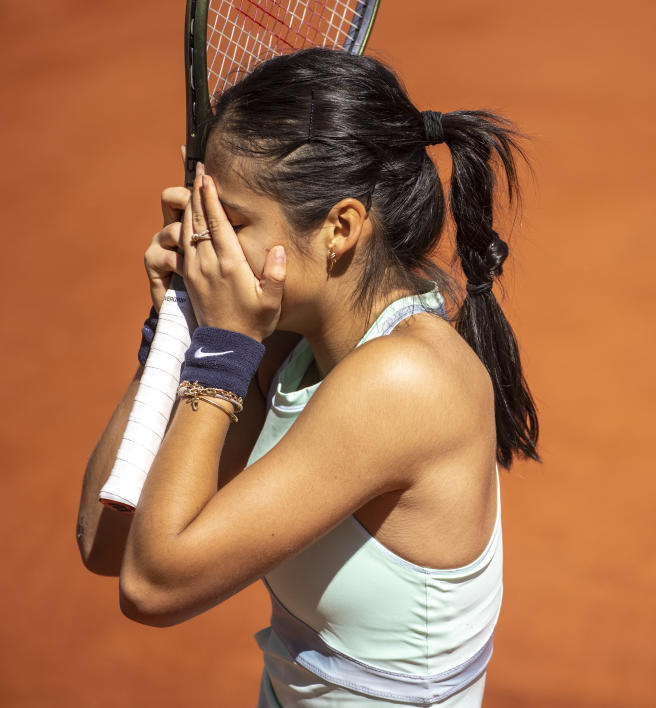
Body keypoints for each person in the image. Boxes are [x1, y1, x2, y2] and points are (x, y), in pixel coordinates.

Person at [76, 48, 539, 706]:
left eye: (229, 222)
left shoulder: (404, 381)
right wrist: (171, 331)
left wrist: (219, 348)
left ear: (340, 228)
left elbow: (153, 588)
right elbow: (106, 541)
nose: (206, 243)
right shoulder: (285, 344)